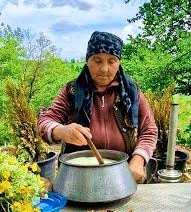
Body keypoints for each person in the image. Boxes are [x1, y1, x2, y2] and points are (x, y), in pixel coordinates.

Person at [38, 31, 157, 183]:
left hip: (123, 176)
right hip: (79, 178)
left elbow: (149, 130)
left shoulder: (131, 92)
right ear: (87, 61)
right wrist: (62, 131)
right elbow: (45, 121)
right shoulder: (72, 91)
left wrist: (139, 159)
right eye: (97, 60)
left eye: (111, 61)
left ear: (118, 63)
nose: (104, 69)